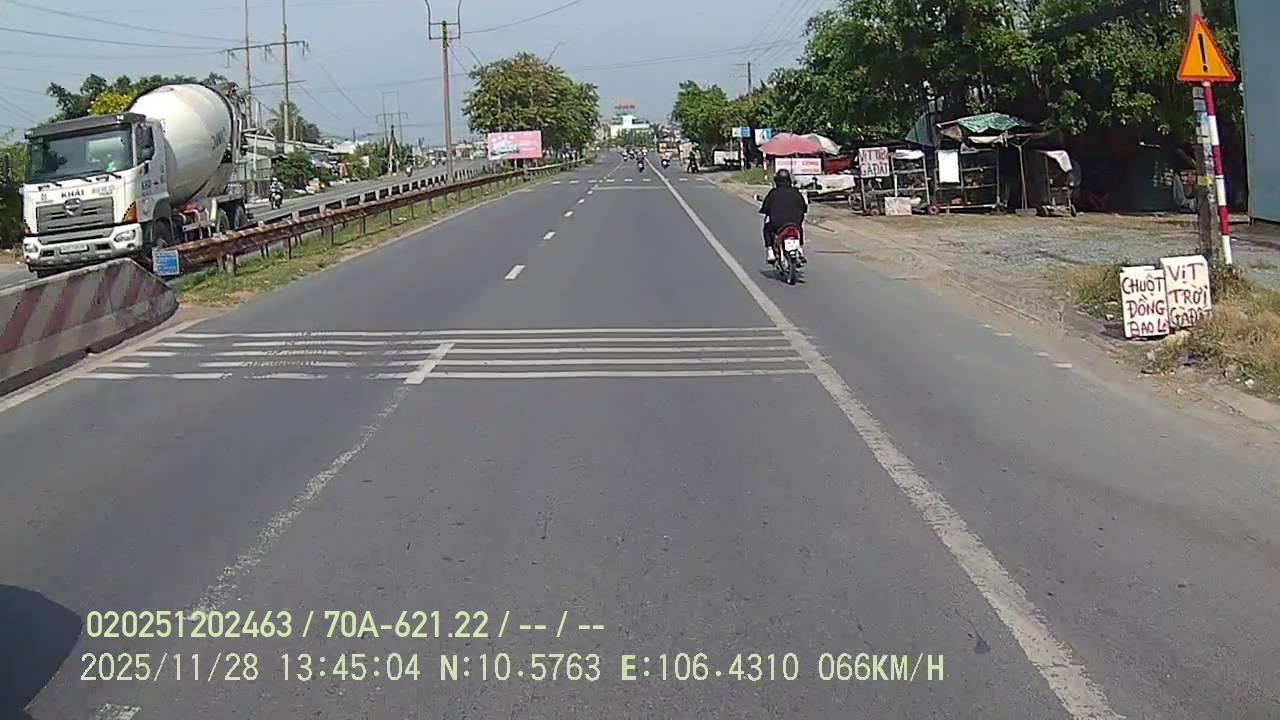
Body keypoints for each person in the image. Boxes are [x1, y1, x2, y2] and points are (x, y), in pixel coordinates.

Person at [758, 168, 807, 264]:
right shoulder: (796, 192)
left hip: (778, 224)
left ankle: (770, 251)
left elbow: (765, 207)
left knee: (767, 228)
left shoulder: (773, 193)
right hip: (795, 222)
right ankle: (800, 249)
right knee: (799, 228)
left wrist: (765, 210)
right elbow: (804, 207)